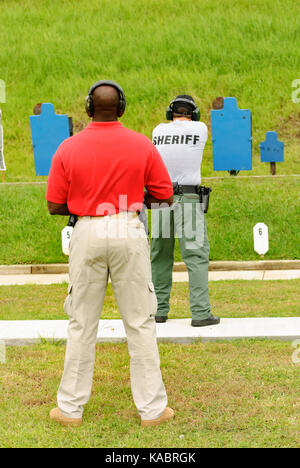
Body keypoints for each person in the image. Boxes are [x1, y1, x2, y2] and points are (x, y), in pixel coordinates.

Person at [46, 80, 175, 427]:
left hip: (87, 230)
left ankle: (70, 410)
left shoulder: (68, 147)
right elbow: (164, 196)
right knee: (140, 322)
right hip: (127, 227)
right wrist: (133, 196)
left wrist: (83, 201)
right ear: (122, 107)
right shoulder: (141, 145)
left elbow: (54, 204)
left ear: (89, 107)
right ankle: (152, 410)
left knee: (81, 322)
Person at [151, 95, 220, 327]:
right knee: (195, 255)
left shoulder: (158, 130)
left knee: (159, 256)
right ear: (194, 113)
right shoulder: (200, 129)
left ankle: (158, 310)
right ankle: (200, 313)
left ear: (171, 113)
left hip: (160, 199)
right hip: (188, 200)